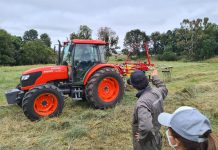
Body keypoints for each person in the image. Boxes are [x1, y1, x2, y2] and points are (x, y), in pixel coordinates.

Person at [127, 69, 168, 150]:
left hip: (146, 143)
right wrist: (155, 77)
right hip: (156, 136)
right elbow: (163, 87)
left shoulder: (142, 103)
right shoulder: (157, 92)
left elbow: (146, 127)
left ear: (133, 86)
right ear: (146, 80)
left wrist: (141, 136)